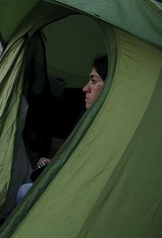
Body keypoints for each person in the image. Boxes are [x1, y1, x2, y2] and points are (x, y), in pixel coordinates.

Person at [16, 55, 108, 203]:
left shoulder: (108, 128)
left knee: (23, 192)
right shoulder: (85, 116)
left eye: (93, 81)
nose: (85, 88)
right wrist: (52, 163)